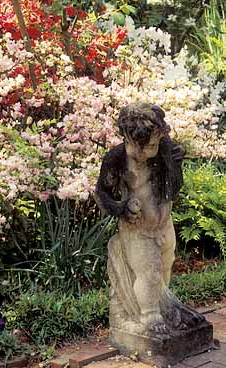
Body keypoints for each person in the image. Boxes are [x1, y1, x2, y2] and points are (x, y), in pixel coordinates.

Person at [95, 103, 185, 334]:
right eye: (136, 147)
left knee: (164, 269)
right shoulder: (116, 158)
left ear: (160, 136)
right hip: (137, 228)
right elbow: (102, 192)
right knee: (149, 272)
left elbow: (173, 190)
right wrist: (121, 208)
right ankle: (149, 316)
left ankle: (159, 307)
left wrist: (176, 166)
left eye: (151, 146)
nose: (143, 153)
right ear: (125, 138)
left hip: (164, 224)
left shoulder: (165, 149)